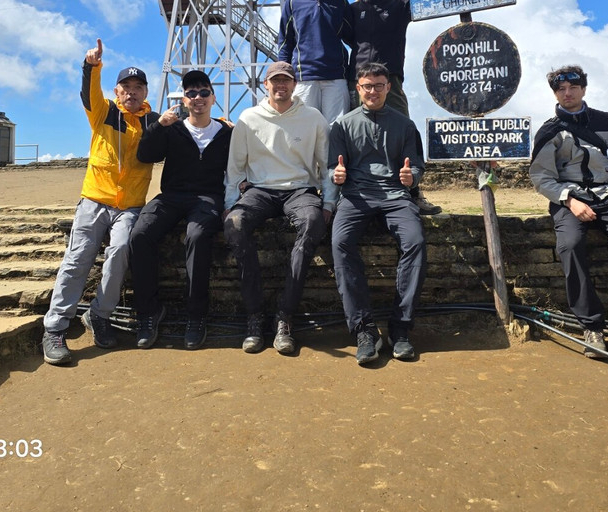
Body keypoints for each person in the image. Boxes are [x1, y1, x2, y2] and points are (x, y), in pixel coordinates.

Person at [528, 65, 608, 363]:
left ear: (583, 88)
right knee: (569, 246)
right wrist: (570, 200)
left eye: (573, 87)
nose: (568, 93)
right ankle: (591, 326)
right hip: (569, 200)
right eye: (561, 89)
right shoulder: (549, 130)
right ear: (555, 93)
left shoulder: (605, 122)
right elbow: (541, 177)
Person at [42, 40, 158, 366]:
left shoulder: (154, 122)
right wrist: (91, 67)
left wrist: (223, 124)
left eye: (138, 87)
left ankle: (100, 315)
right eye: (126, 87)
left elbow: (192, 127)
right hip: (95, 199)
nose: (132, 92)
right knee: (78, 258)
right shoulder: (103, 112)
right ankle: (54, 328)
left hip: (130, 205)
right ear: (117, 91)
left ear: (146, 92)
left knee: (121, 252)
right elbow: (87, 93)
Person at [224, 61, 337, 355]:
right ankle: (254, 316)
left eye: (286, 80)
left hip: (300, 189)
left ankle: (284, 316)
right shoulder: (248, 118)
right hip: (259, 189)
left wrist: (328, 201)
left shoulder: (313, 118)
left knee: (313, 222)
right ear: (266, 85)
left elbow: (326, 165)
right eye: (275, 81)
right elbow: (235, 168)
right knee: (235, 224)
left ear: (295, 84)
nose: (280, 85)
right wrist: (228, 205)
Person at [329, 62, 427, 366]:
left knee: (416, 242)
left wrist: (413, 178)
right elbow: (334, 166)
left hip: (395, 196)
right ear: (358, 89)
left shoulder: (405, 125)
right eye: (367, 86)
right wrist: (338, 174)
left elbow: (418, 166)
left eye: (379, 85)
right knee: (339, 242)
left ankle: (400, 329)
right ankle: (364, 330)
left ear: (388, 88)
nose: (373, 91)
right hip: (356, 196)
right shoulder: (342, 125)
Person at [129, 70, 232, 351]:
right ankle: (148, 313)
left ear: (212, 98)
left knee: (197, 236)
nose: (198, 98)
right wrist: (159, 126)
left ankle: (196, 317)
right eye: (191, 93)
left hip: (208, 198)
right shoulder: (172, 128)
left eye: (203, 93)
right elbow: (146, 155)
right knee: (140, 234)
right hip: (172, 196)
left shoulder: (226, 132)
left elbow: (240, 166)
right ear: (184, 100)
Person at [347, 0, 440, 215]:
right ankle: (355, 194)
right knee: (356, 138)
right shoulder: (353, 11)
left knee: (405, 133)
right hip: (359, 82)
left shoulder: (398, 6)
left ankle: (413, 193)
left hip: (391, 82)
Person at [277, 0, 352, 123]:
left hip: (335, 78)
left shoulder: (340, 3)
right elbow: (285, 41)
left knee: (335, 132)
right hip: (304, 78)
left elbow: (354, 38)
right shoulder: (294, 0)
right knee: (303, 132)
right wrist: (283, 74)